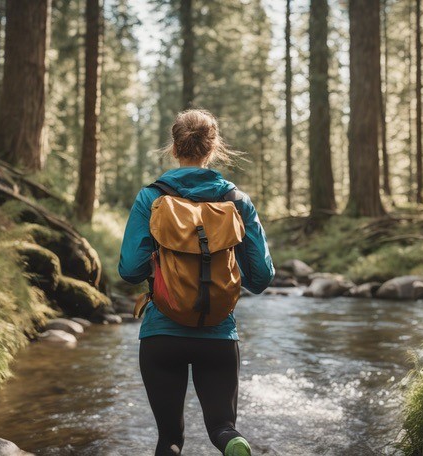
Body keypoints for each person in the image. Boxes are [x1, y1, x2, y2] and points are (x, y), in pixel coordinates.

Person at [118, 109, 275, 456]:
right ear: (214, 147)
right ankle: (232, 443)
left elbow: (129, 271)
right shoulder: (237, 201)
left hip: (162, 332)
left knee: (170, 439)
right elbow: (262, 278)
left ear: (174, 148)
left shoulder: (151, 198)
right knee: (222, 427)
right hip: (219, 333)